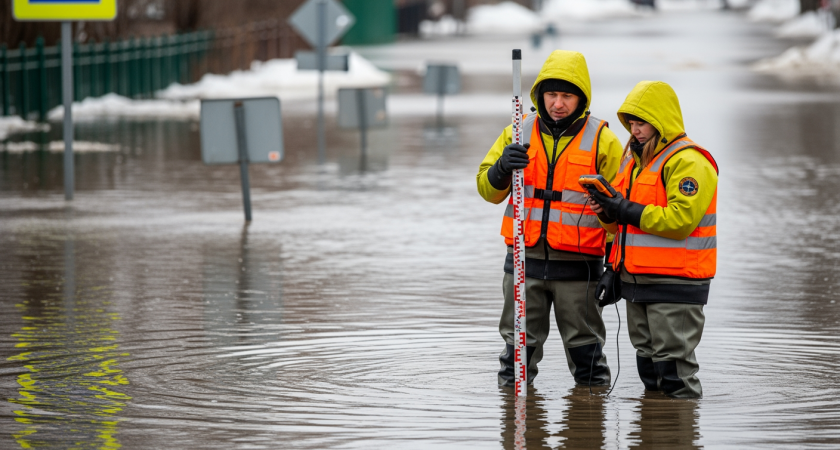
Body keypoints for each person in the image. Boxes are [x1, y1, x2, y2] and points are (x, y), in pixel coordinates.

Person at [477, 50, 625, 387]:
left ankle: (587, 426)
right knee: (515, 360)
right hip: (523, 264)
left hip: (579, 269)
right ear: (540, 95)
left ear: (581, 98)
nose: (558, 103)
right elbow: (487, 189)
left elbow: (622, 213)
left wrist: (614, 269)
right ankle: (517, 430)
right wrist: (502, 168)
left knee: (588, 360)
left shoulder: (603, 139)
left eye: (567, 96)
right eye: (552, 94)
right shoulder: (517, 131)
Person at [586, 80, 718, 398]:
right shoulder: (633, 162)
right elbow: (621, 227)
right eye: (631, 123)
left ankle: (678, 437)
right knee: (648, 367)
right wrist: (607, 213)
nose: (635, 129)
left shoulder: (690, 162)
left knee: (674, 373)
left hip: (676, 285)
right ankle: (653, 435)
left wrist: (623, 209)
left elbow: (680, 221)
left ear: (660, 121)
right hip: (636, 281)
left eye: (641, 122)